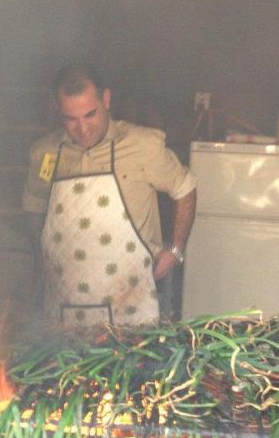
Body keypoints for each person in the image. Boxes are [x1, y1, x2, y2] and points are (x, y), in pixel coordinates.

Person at [22, 64, 197, 330]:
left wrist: (176, 249)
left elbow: (185, 188)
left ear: (105, 100)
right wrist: (41, 260)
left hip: (130, 302)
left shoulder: (142, 145)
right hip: (63, 307)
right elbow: (34, 208)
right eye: (71, 119)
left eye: (90, 114)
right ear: (58, 111)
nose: (82, 128)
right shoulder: (45, 154)